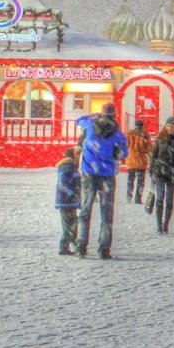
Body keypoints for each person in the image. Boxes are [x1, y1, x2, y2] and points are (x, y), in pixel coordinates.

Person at [75, 102, 128, 259]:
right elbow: (124, 154)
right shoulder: (118, 134)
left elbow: (79, 120)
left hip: (89, 172)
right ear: (114, 115)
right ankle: (104, 249)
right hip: (107, 174)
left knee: (85, 211)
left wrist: (94, 115)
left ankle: (81, 247)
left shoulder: (90, 126)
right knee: (107, 214)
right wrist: (113, 153)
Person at [149, 117, 174, 234]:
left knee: (169, 200)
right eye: (168, 126)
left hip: (172, 173)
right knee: (160, 199)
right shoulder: (160, 139)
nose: (170, 128)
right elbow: (154, 155)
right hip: (160, 172)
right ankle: (159, 226)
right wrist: (152, 169)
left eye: (172, 126)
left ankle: (165, 225)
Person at [52, 147, 80, 254]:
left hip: (68, 202)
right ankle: (64, 247)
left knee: (73, 224)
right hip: (66, 201)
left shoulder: (70, 167)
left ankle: (70, 245)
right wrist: (71, 193)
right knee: (69, 225)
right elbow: (63, 183)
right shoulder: (67, 167)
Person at [122, 119, 153, 210]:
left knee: (130, 180)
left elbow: (125, 146)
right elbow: (149, 147)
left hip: (131, 159)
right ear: (142, 126)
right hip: (141, 160)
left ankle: (128, 196)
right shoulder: (145, 135)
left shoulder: (129, 134)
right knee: (140, 181)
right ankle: (138, 198)